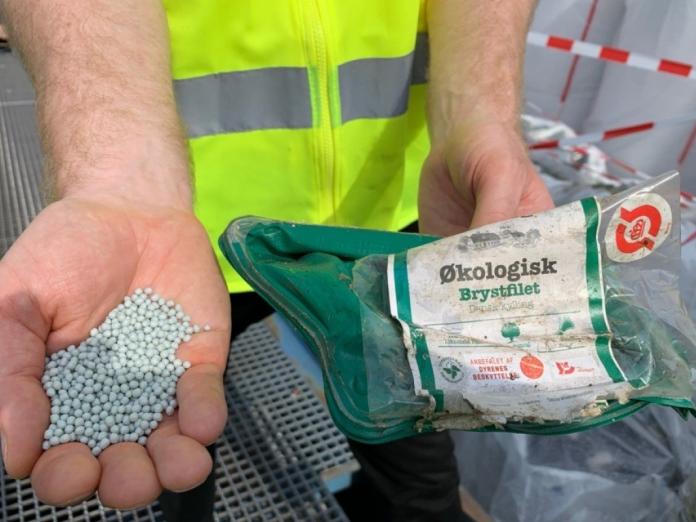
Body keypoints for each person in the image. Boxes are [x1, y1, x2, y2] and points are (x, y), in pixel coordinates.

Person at [0, 1, 553, 520]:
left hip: (384, 219)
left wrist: (477, 113)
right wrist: (115, 179)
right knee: (179, 439)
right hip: (186, 234)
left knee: (416, 463)